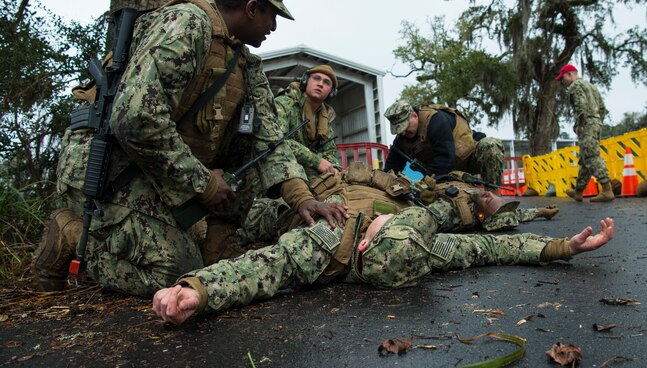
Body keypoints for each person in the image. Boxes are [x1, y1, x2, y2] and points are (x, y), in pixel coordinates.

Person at [32, 0, 348, 296]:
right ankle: (71, 230)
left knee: (250, 162)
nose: (273, 26)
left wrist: (304, 199)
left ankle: (217, 246)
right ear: (252, 8)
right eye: (272, 16)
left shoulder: (244, 63)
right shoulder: (187, 25)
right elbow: (135, 119)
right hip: (111, 168)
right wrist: (204, 182)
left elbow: (270, 143)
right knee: (174, 270)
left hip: (157, 170)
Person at [152, 169, 614, 324]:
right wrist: (561, 248)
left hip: (316, 214)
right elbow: (495, 251)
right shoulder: (419, 245)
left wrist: (197, 291)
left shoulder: (332, 245)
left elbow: (261, 269)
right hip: (316, 199)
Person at [234, 165, 559, 247]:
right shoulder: (423, 188)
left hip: (341, 215)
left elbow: (500, 223)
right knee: (260, 212)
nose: (488, 198)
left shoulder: (450, 217)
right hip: (324, 197)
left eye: (491, 202)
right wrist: (393, 183)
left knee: (266, 219)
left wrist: (537, 212)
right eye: (490, 196)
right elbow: (364, 173)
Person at [383, 100, 505, 187]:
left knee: (490, 145)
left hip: (468, 160)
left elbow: (446, 159)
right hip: (445, 174)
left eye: (405, 126)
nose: (403, 133)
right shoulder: (401, 140)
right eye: (399, 130)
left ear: (414, 116)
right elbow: (390, 169)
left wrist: (424, 182)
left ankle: (493, 198)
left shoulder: (436, 120)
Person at [556, 64, 614, 202]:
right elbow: (602, 107)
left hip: (587, 123)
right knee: (585, 158)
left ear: (570, 74)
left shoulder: (575, 86)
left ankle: (607, 189)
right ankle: (578, 191)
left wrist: (581, 123)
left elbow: (580, 105)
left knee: (591, 156)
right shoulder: (591, 86)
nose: (562, 82)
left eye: (562, 78)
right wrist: (597, 121)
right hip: (596, 122)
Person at [275, 64, 341, 179]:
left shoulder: (325, 118)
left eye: (326, 82)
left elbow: (329, 150)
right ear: (305, 81)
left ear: (331, 92)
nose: (320, 84)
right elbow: (278, 141)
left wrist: (334, 168)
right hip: (279, 167)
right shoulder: (284, 104)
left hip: (306, 170)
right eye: (316, 78)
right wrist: (317, 161)